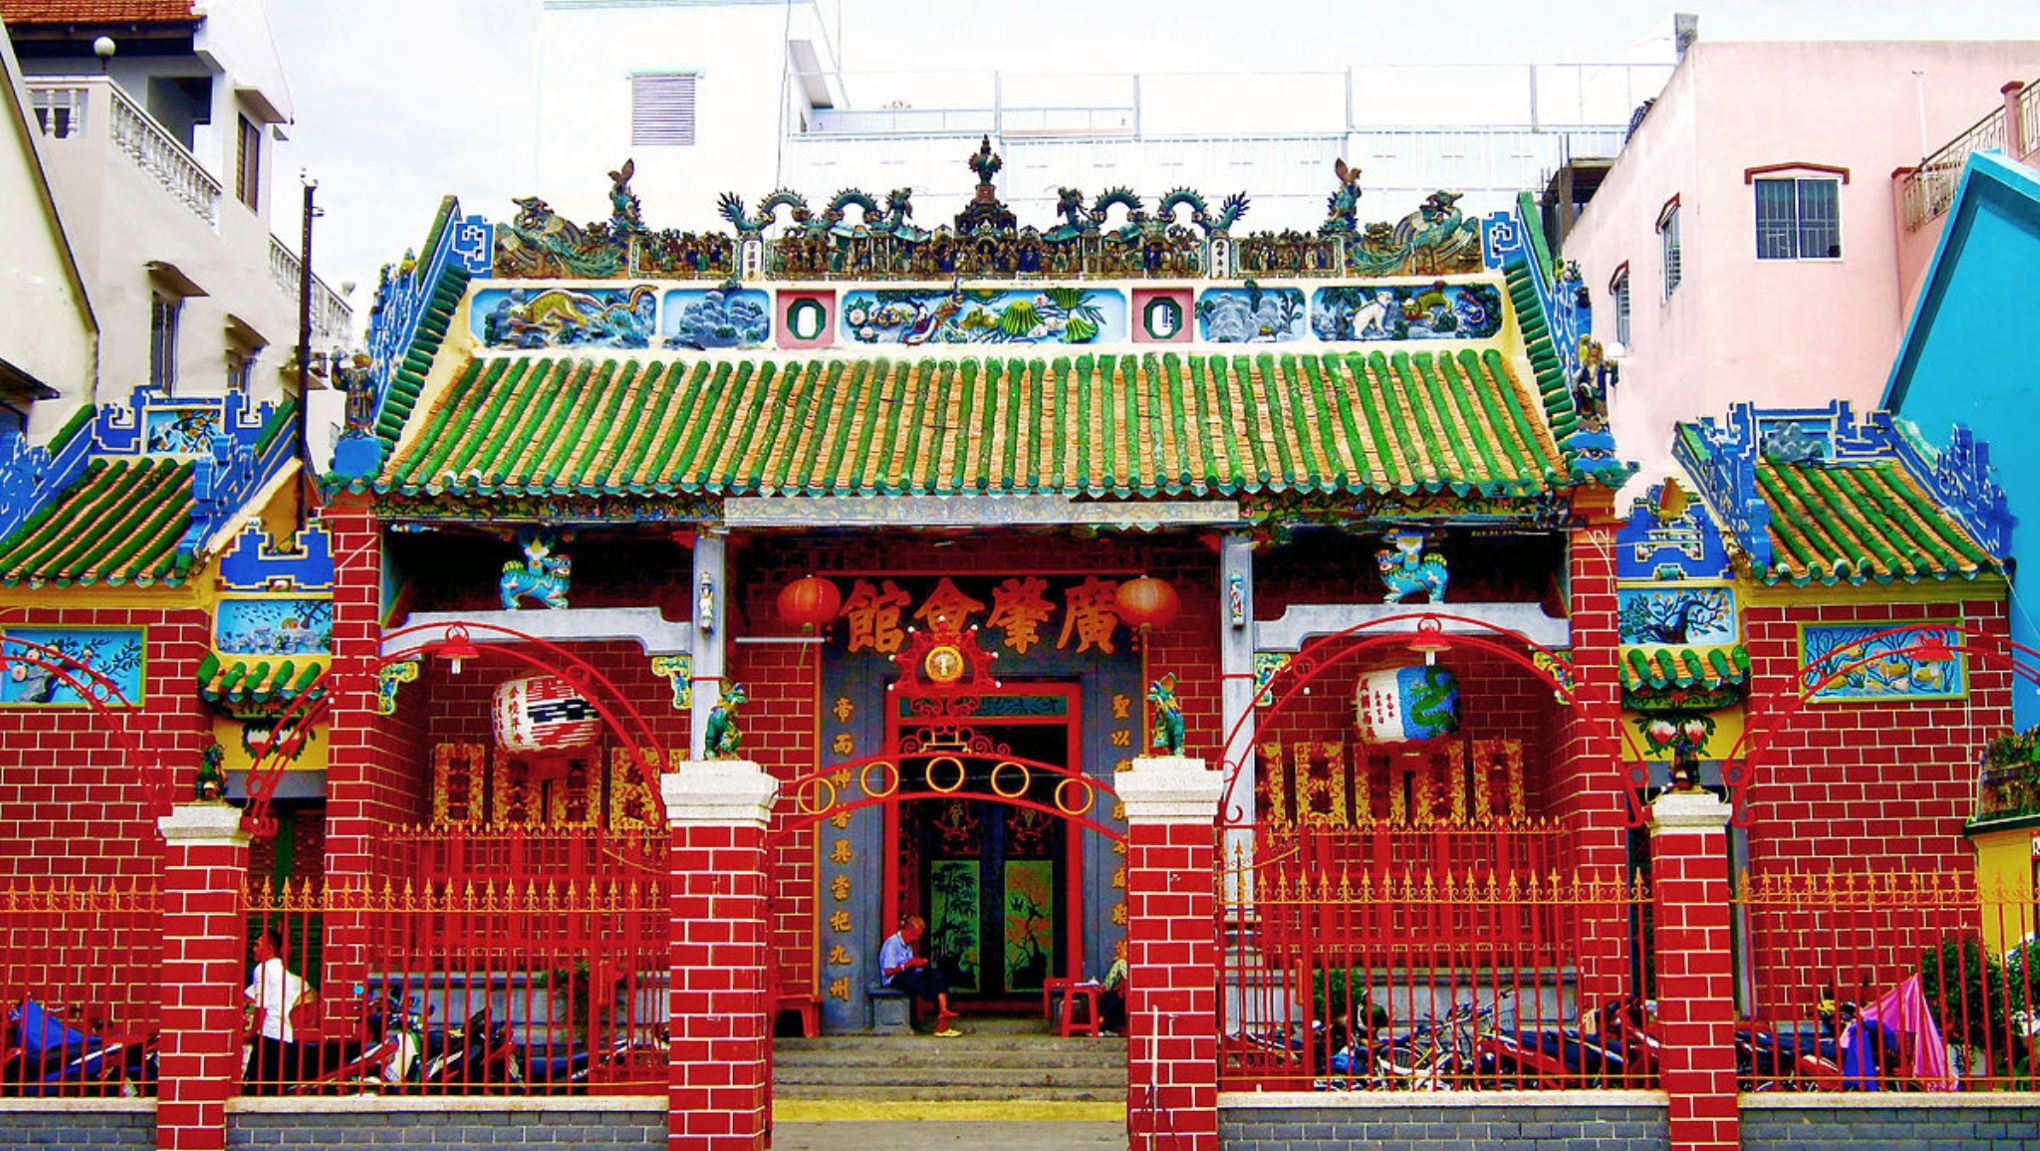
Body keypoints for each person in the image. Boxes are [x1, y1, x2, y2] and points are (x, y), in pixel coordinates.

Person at [244, 926, 310, 1092]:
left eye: (257, 945)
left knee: (255, 1086)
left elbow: (262, 1006)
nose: (254, 949)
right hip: (284, 1034)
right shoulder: (284, 973)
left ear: (269, 948)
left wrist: (252, 1032)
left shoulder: (262, 969)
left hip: (268, 1033)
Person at [879, 915, 960, 1037]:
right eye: (917, 934)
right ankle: (941, 1024)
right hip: (894, 979)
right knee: (928, 986)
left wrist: (919, 965)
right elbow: (887, 971)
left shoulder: (908, 945)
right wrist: (909, 964)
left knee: (937, 975)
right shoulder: (892, 943)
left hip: (909, 974)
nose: (917, 938)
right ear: (909, 929)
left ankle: (943, 1010)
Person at [1098, 939, 1128, 1036]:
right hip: (1124, 993)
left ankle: (1102, 1022)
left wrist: (1106, 987)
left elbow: (1109, 983)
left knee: (1110, 997)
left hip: (1127, 995)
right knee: (1111, 997)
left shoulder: (1121, 963)